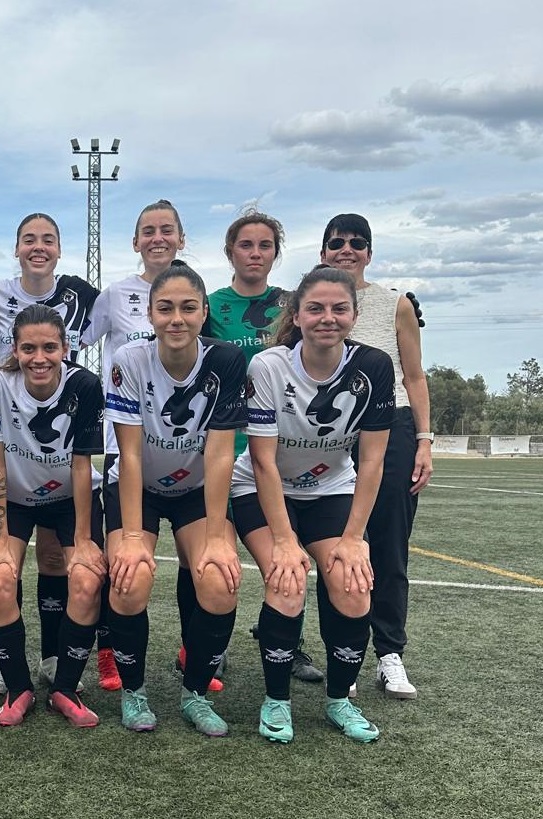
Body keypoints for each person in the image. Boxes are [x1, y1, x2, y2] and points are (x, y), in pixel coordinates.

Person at [230, 264, 394, 743]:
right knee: (286, 581)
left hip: (330, 490)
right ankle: (276, 701)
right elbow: (261, 461)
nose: (328, 317)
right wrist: (283, 541)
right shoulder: (268, 366)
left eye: (339, 309)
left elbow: (373, 459)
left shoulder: (374, 367)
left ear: (354, 315)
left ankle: (340, 700)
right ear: (297, 316)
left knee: (352, 583)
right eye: (316, 309)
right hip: (263, 489)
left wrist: (353, 539)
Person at [103, 263, 247, 735]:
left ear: (204, 313)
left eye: (188, 308)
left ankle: (196, 693)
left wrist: (216, 534)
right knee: (131, 576)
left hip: (195, 488)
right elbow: (128, 453)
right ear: (149, 313)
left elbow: (222, 453)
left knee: (219, 578)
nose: (176, 319)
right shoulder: (129, 358)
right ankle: (133, 691)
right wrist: (127, 536)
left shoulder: (225, 361)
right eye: (165, 308)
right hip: (137, 486)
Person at [0, 213, 100, 695]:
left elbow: (82, 465)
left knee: (82, 572)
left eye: (50, 347)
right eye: (29, 348)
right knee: (0, 572)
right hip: (17, 501)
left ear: (67, 348)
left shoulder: (84, 385)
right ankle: (15, 680)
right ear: (16, 348)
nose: (40, 357)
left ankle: (59, 669)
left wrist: (85, 539)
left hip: (68, 498)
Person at [207, 210, 325, 684]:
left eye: (265, 246)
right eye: (246, 245)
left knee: (286, 552)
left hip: (282, 452)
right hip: (219, 445)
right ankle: (206, 645)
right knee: (212, 549)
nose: (255, 254)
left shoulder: (296, 305)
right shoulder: (211, 304)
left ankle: (287, 642)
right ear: (230, 251)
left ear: (276, 253)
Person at [321, 214, 432, 699]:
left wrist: (425, 439)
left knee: (388, 544)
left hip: (392, 427)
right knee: (332, 543)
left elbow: (415, 376)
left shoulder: (397, 304)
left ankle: (390, 653)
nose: (347, 249)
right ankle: (335, 650)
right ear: (323, 250)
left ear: (370, 251)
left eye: (357, 243)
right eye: (337, 242)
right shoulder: (310, 298)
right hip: (329, 432)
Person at [81, 199, 186, 692]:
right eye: (149, 231)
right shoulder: (115, 293)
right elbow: (73, 339)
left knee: (195, 555)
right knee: (118, 555)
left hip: (183, 450)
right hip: (120, 445)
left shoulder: (189, 294)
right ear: (136, 241)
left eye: (167, 230)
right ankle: (107, 653)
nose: (158, 238)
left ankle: (195, 653)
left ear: (181, 239)